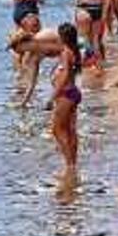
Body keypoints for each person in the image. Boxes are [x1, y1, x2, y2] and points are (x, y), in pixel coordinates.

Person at [51, 23, 82, 190]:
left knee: (57, 130)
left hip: (65, 95)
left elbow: (63, 77)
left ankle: (69, 165)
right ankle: (73, 163)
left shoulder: (65, 53)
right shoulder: (74, 51)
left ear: (62, 37)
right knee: (70, 129)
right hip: (73, 93)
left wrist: (52, 96)